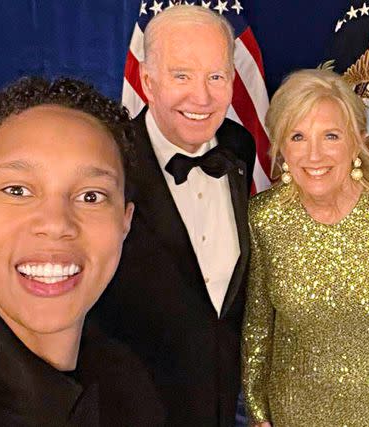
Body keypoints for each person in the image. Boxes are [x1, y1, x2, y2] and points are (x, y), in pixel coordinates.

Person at [241, 69, 369, 427]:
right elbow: (258, 327)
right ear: (280, 147)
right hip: (295, 415)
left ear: (356, 141)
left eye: (331, 136)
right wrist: (259, 415)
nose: (314, 154)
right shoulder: (264, 218)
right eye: (298, 136)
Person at [0, 77, 165, 425]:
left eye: (91, 196)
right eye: (17, 190)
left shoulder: (131, 386)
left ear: (125, 221)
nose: (56, 224)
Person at [90, 4, 255, 426]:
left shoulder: (239, 147)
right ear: (147, 80)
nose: (201, 97)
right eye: (181, 75)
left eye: (215, 77)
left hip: (225, 406)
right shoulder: (109, 163)